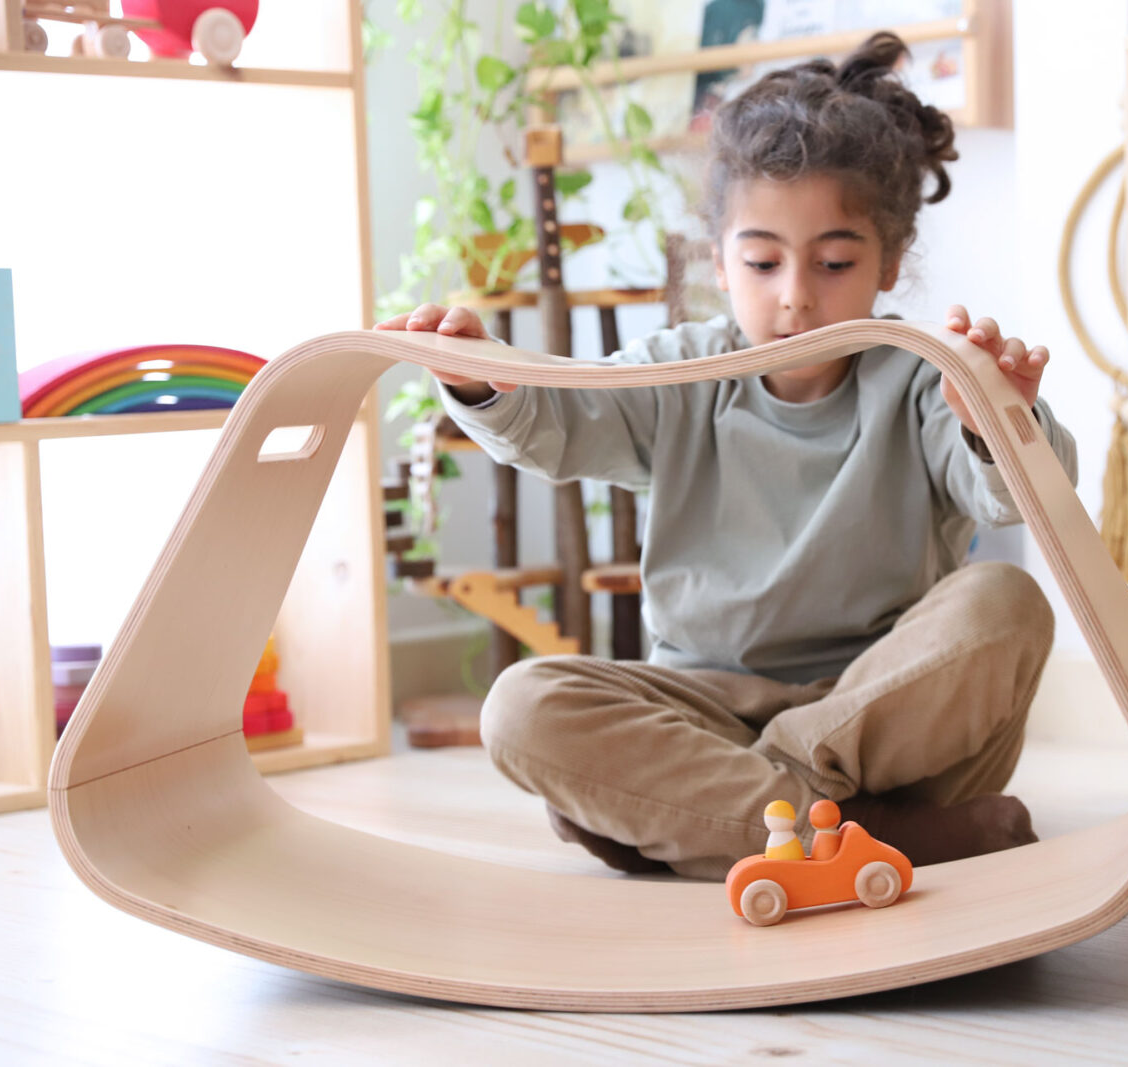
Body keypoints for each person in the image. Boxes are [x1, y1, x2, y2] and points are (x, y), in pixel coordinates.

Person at [376, 31, 1078, 880]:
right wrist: (480, 379)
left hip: (886, 712)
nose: (796, 295)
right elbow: (558, 416)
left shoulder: (920, 376)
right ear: (719, 262)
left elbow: (1019, 498)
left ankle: (713, 821)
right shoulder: (684, 368)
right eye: (762, 261)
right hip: (702, 706)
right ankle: (871, 839)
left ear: (890, 263)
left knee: (1007, 599)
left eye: (835, 261)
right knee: (523, 704)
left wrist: (994, 417)